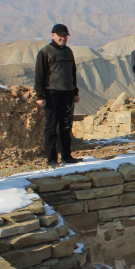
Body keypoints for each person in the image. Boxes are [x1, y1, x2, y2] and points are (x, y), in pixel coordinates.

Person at [35, 24, 80, 165]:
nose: (63, 38)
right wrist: (40, 95)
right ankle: (52, 159)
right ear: (53, 35)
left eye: (65, 35)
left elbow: (72, 73)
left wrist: (75, 92)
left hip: (68, 94)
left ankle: (66, 156)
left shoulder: (68, 51)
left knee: (66, 127)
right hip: (52, 95)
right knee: (51, 127)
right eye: (60, 36)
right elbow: (39, 75)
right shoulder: (45, 52)